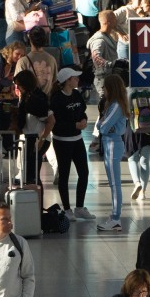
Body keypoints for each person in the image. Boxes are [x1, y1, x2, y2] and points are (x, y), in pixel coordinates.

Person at [50, 66, 94, 221]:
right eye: (74, 78)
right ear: (67, 80)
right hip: (62, 141)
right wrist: (73, 126)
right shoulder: (56, 98)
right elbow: (55, 124)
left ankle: (80, 207)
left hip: (77, 140)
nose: (77, 80)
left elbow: (82, 112)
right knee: (64, 174)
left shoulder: (76, 94)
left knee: (84, 173)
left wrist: (84, 120)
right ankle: (67, 209)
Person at [96, 74, 129, 231]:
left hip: (112, 145)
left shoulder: (115, 106)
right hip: (110, 143)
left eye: (105, 87)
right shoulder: (113, 104)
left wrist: (106, 126)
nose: (103, 90)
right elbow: (101, 126)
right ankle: (114, 216)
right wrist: (106, 126)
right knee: (113, 183)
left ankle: (116, 218)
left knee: (115, 183)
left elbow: (102, 127)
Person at [126, 86, 150, 201]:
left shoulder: (129, 90)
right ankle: (143, 192)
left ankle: (137, 183)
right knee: (145, 160)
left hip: (134, 127)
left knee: (132, 159)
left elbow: (125, 110)